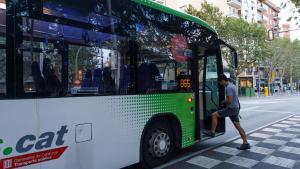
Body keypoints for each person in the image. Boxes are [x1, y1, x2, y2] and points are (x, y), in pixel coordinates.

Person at [204, 74, 250, 150]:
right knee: (238, 126)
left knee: (214, 115)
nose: (220, 84)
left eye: (219, 82)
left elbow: (229, 100)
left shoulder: (228, 88)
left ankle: (212, 132)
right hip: (235, 108)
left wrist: (224, 102)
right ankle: (246, 143)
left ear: (222, 80)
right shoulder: (232, 85)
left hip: (231, 109)